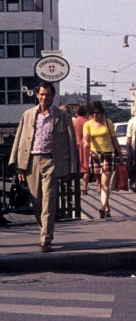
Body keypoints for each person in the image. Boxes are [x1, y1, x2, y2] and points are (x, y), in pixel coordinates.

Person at [8, 81, 78, 252]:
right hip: (31, 161)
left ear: (53, 97)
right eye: (42, 94)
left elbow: (71, 144)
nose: (45, 97)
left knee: (48, 200)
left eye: (48, 95)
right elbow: (19, 140)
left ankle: (45, 239)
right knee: (37, 201)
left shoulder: (63, 117)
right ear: (37, 95)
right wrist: (19, 168)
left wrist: (71, 169)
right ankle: (44, 229)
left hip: (52, 162)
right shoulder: (28, 115)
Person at [82, 101, 120, 219]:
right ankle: (107, 207)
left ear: (101, 112)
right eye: (92, 113)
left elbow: (114, 140)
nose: (95, 115)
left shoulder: (108, 123)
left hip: (109, 154)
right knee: (99, 183)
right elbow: (86, 140)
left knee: (105, 182)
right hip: (95, 155)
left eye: (97, 112)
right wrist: (86, 146)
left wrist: (121, 155)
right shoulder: (87, 125)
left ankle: (102, 207)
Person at [71, 104, 90, 195]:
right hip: (87, 146)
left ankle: (75, 186)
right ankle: (84, 187)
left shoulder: (73, 122)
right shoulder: (89, 122)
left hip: (75, 146)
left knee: (76, 167)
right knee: (86, 169)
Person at [125, 105, 136, 192]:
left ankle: (132, 183)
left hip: (134, 144)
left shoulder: (131, 121)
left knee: (134, 164)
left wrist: (127, 148)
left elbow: (129, 137)